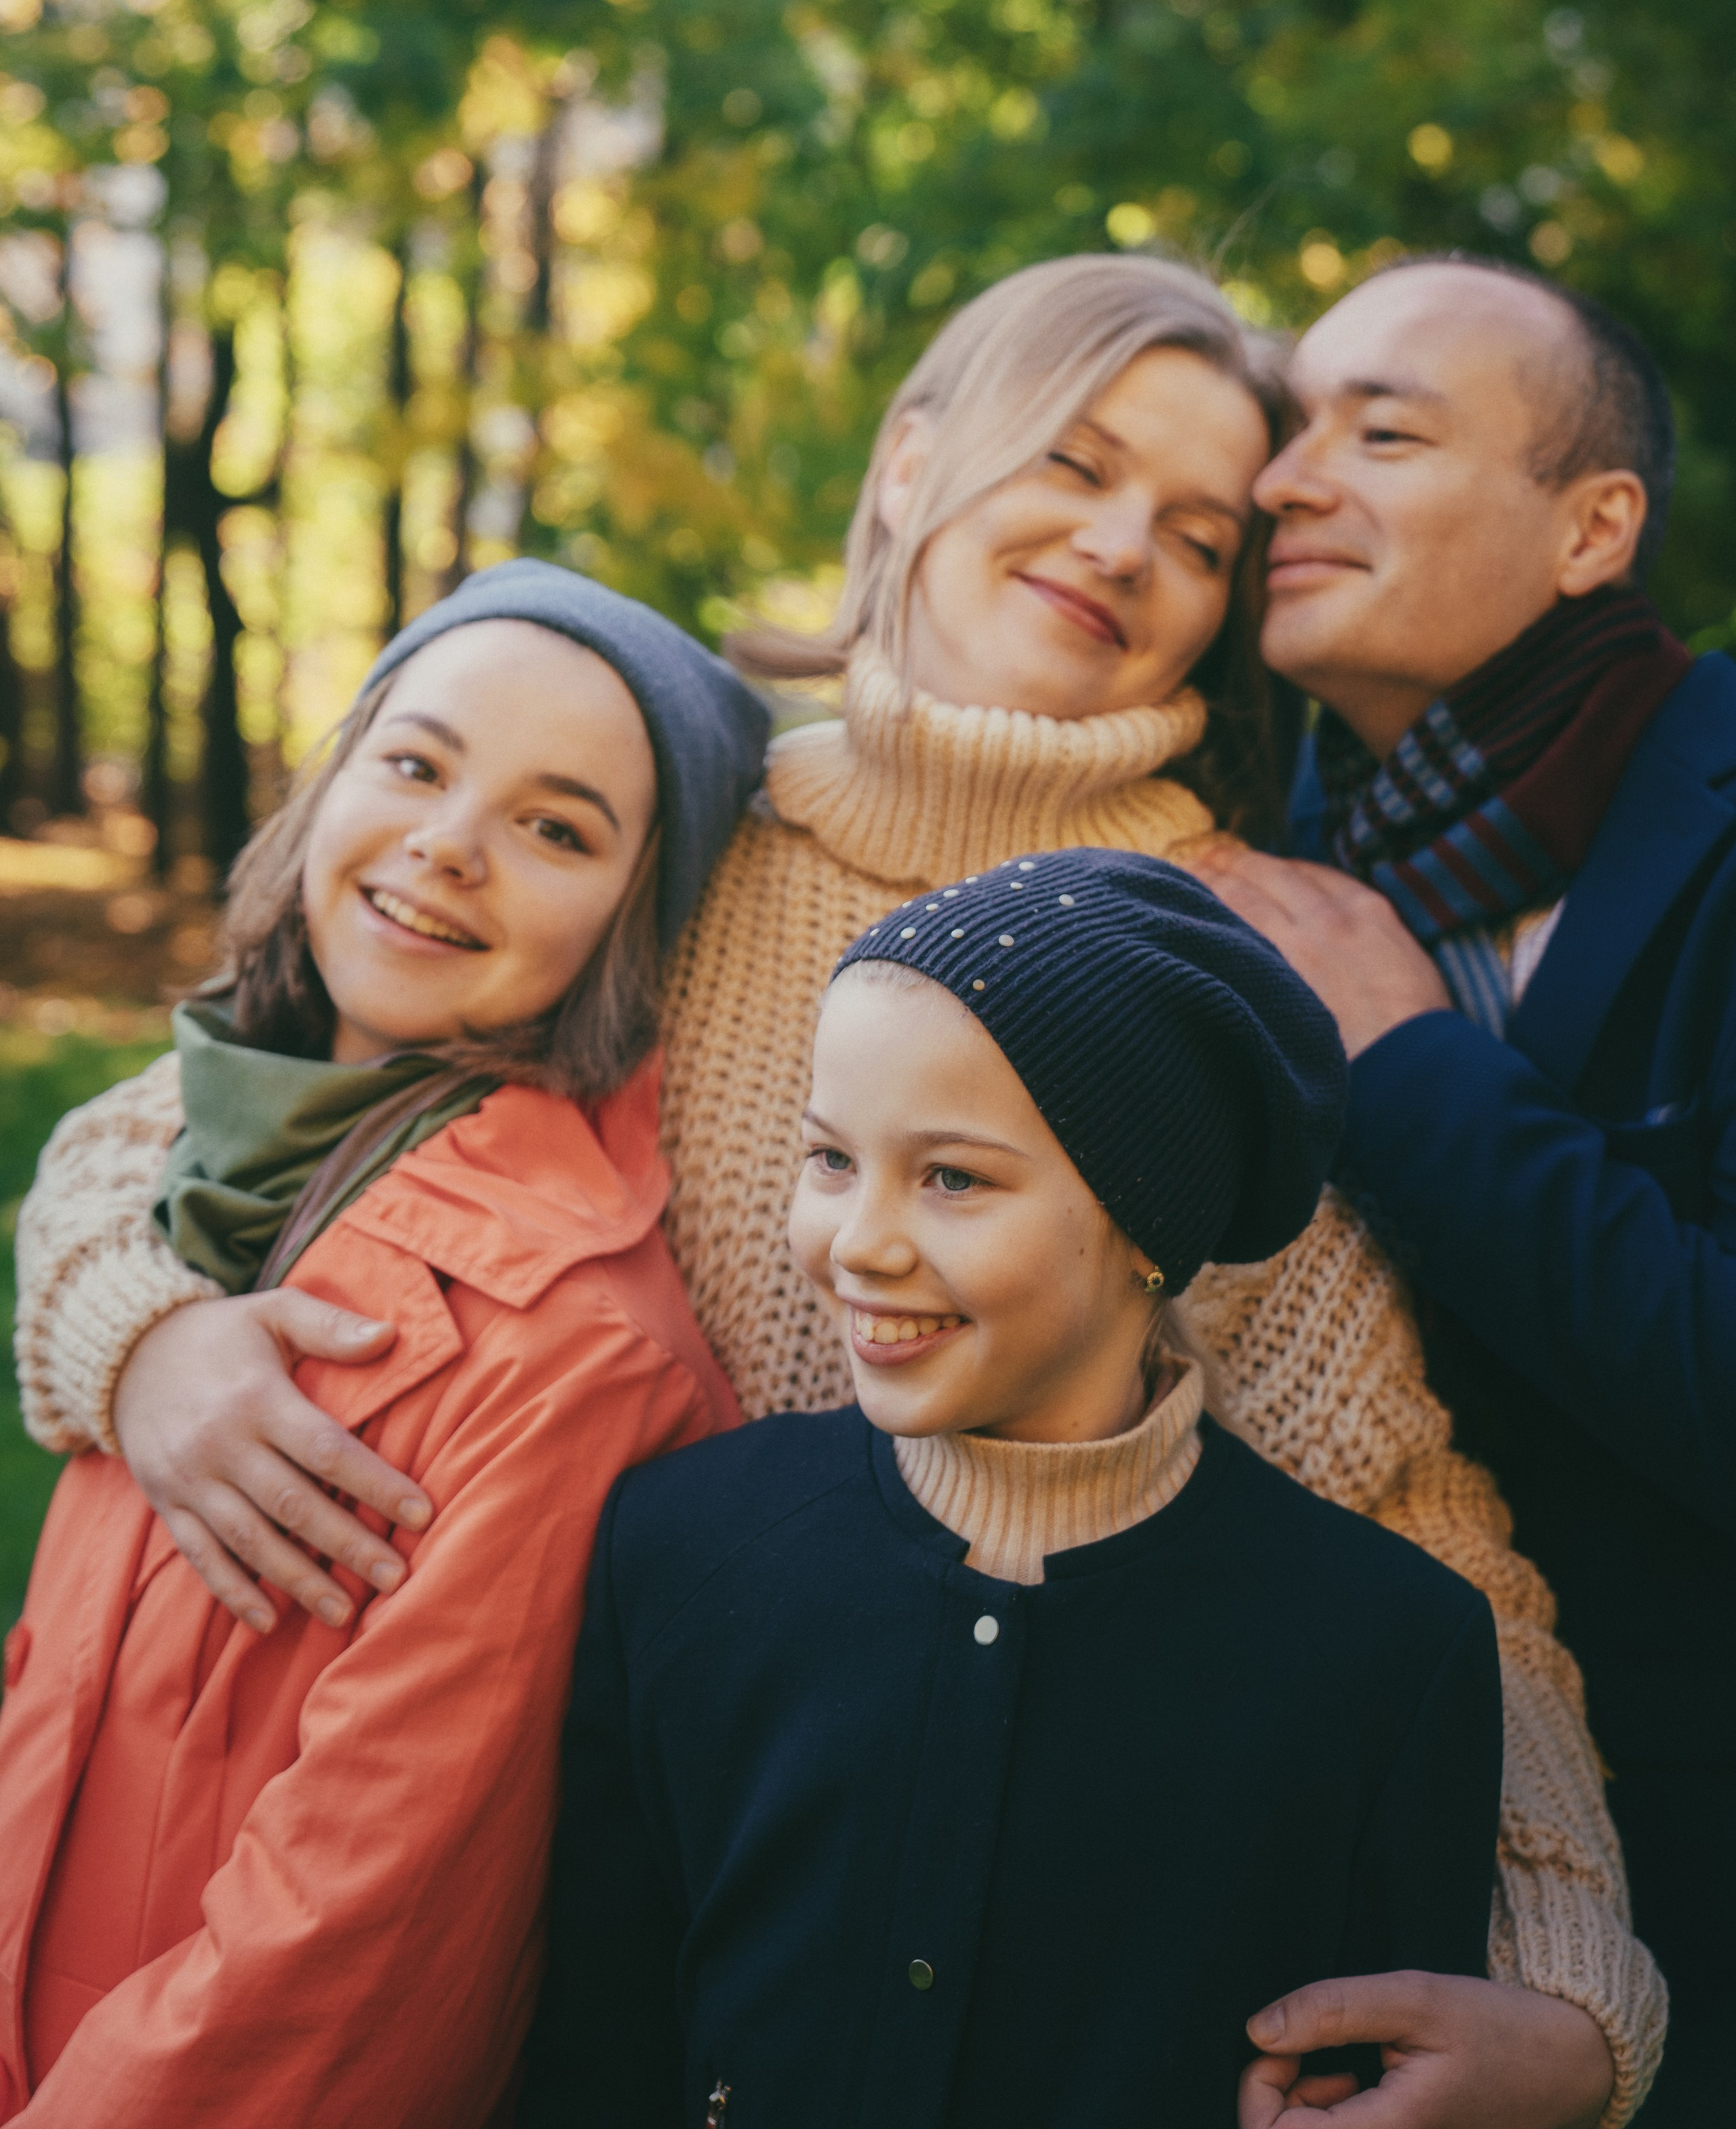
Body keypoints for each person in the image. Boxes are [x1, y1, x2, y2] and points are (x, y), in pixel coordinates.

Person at [14, 256, 1662, 2124]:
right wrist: (135, 1332)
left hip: (936, 1884)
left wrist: (1571, 1989)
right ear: (908, 464)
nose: (1121, 545)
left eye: (1200, 535)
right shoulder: (682, 840)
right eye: (1075, 461)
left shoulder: (1203, 960)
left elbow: (1407, 1520)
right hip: (502, 1801)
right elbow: (233, 1087)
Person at [519, 853, 1504, 2128]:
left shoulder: (1388, 1655)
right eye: (831, 1158)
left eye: (953, 1178)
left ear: (1153, 1222)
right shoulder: (678, 1550)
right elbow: (597, 2057)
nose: (860, 1243)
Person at [0, 565, 764, 2126]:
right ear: (331, 779)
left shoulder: (573, 1351)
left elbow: (348, 1945)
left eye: (557, 830)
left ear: (632, 926)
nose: (448, 844)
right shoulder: (177, 1175)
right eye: (416, 763)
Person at [1196, 254, 1728, 2121]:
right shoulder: (1260, 851)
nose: (1282, 481)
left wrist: (1412, 1072)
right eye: (1289, 431)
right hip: (1329, 1881)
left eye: (1386, 433)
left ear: (1591, 528)